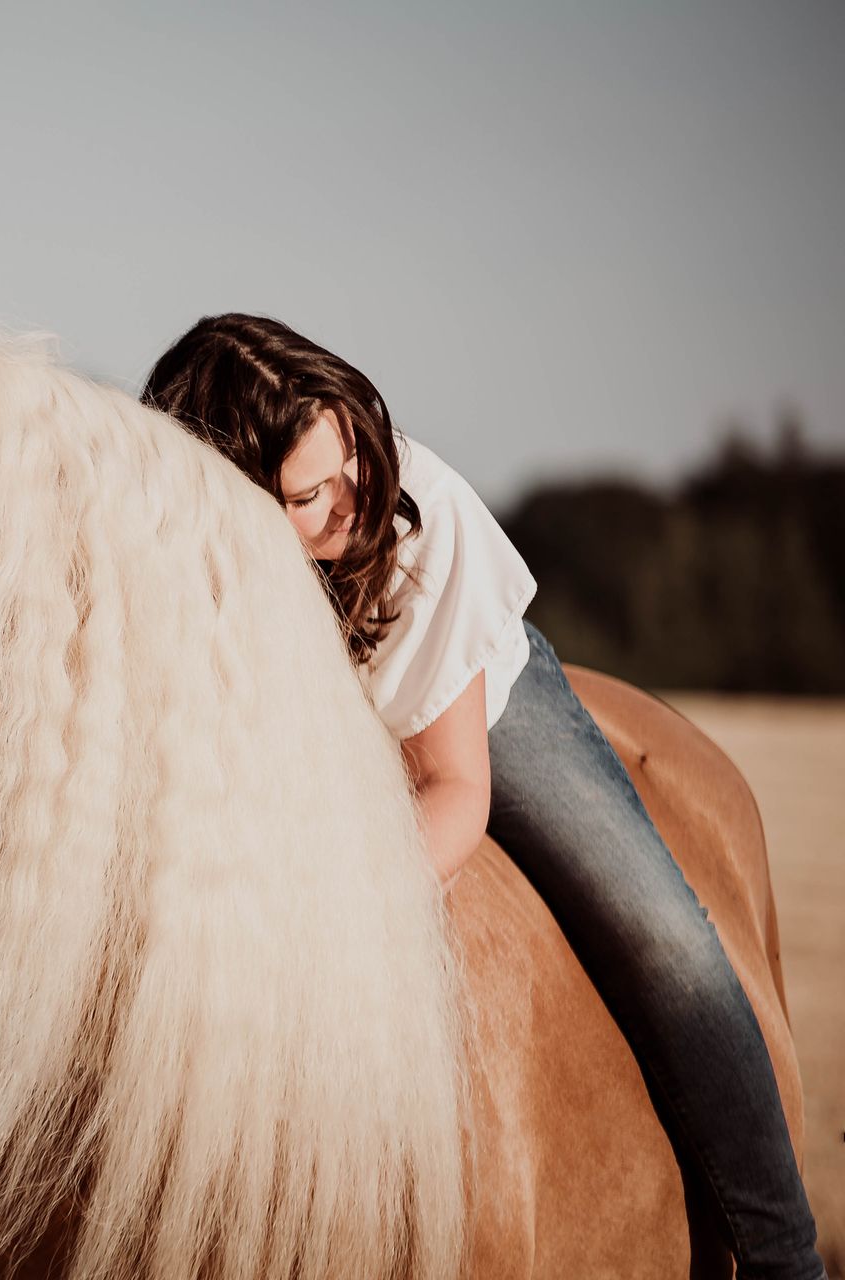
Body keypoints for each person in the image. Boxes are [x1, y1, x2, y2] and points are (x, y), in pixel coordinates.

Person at [139, 312, 825, 1280]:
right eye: (308, 496)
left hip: (477, 715)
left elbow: (455, 788)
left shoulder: (418, 512)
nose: (350, 498)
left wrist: (341, 917)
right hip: (332, 737)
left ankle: (787, 1254)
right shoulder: (192, 564)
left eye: (344, 459)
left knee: (665, 938)